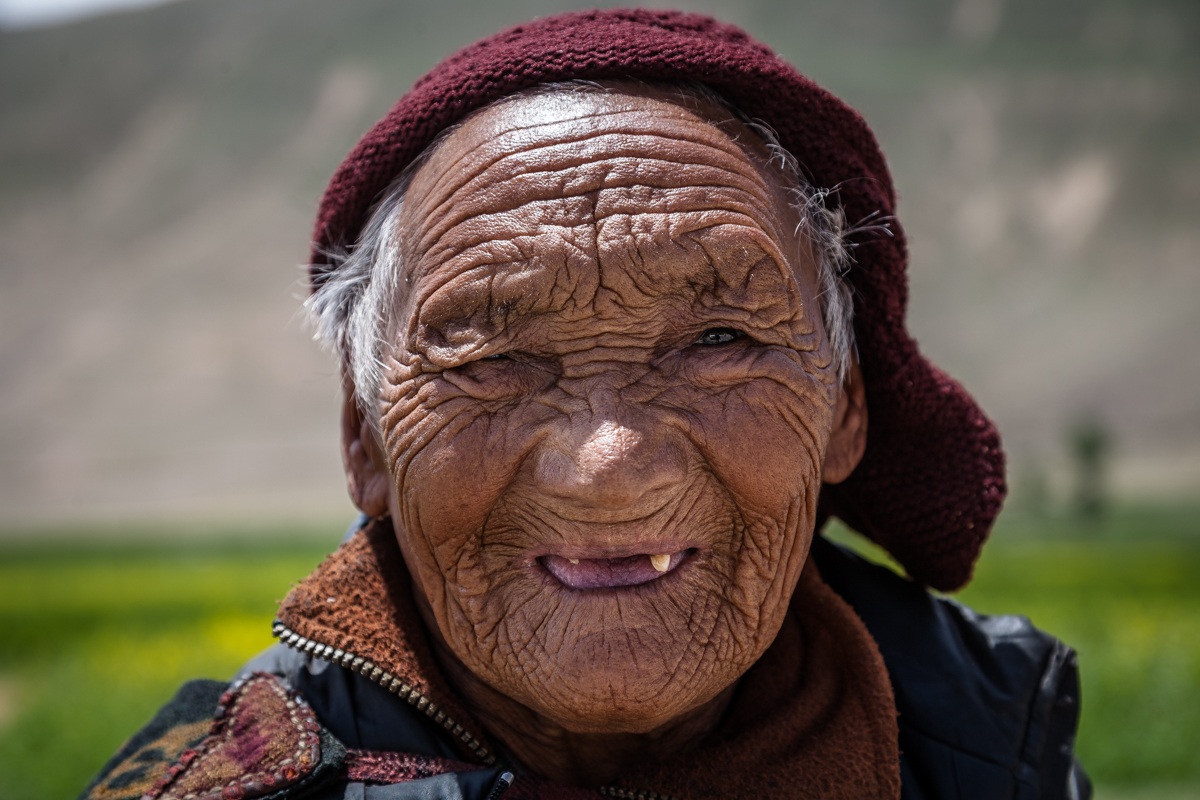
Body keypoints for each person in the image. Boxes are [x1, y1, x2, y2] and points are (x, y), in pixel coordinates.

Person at [81, 9, 1089, 800]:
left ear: (844, 409)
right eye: (494, 356)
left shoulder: (993, 740)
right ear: (365, 439)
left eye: (716, 341)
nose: (606, 459)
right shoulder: (230, 777)